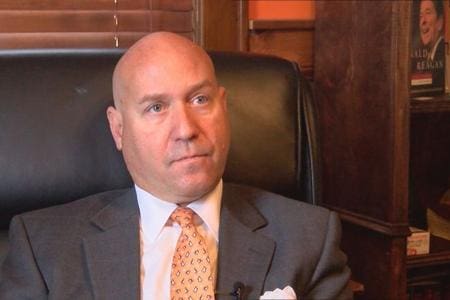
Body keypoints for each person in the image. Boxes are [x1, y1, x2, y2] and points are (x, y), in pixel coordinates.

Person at [0, 32, 352, 299]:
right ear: (118, 129)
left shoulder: (310, 240)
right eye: (156, 107)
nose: (186, 129)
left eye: (200, 100)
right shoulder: (42, 248)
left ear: (223, 107)